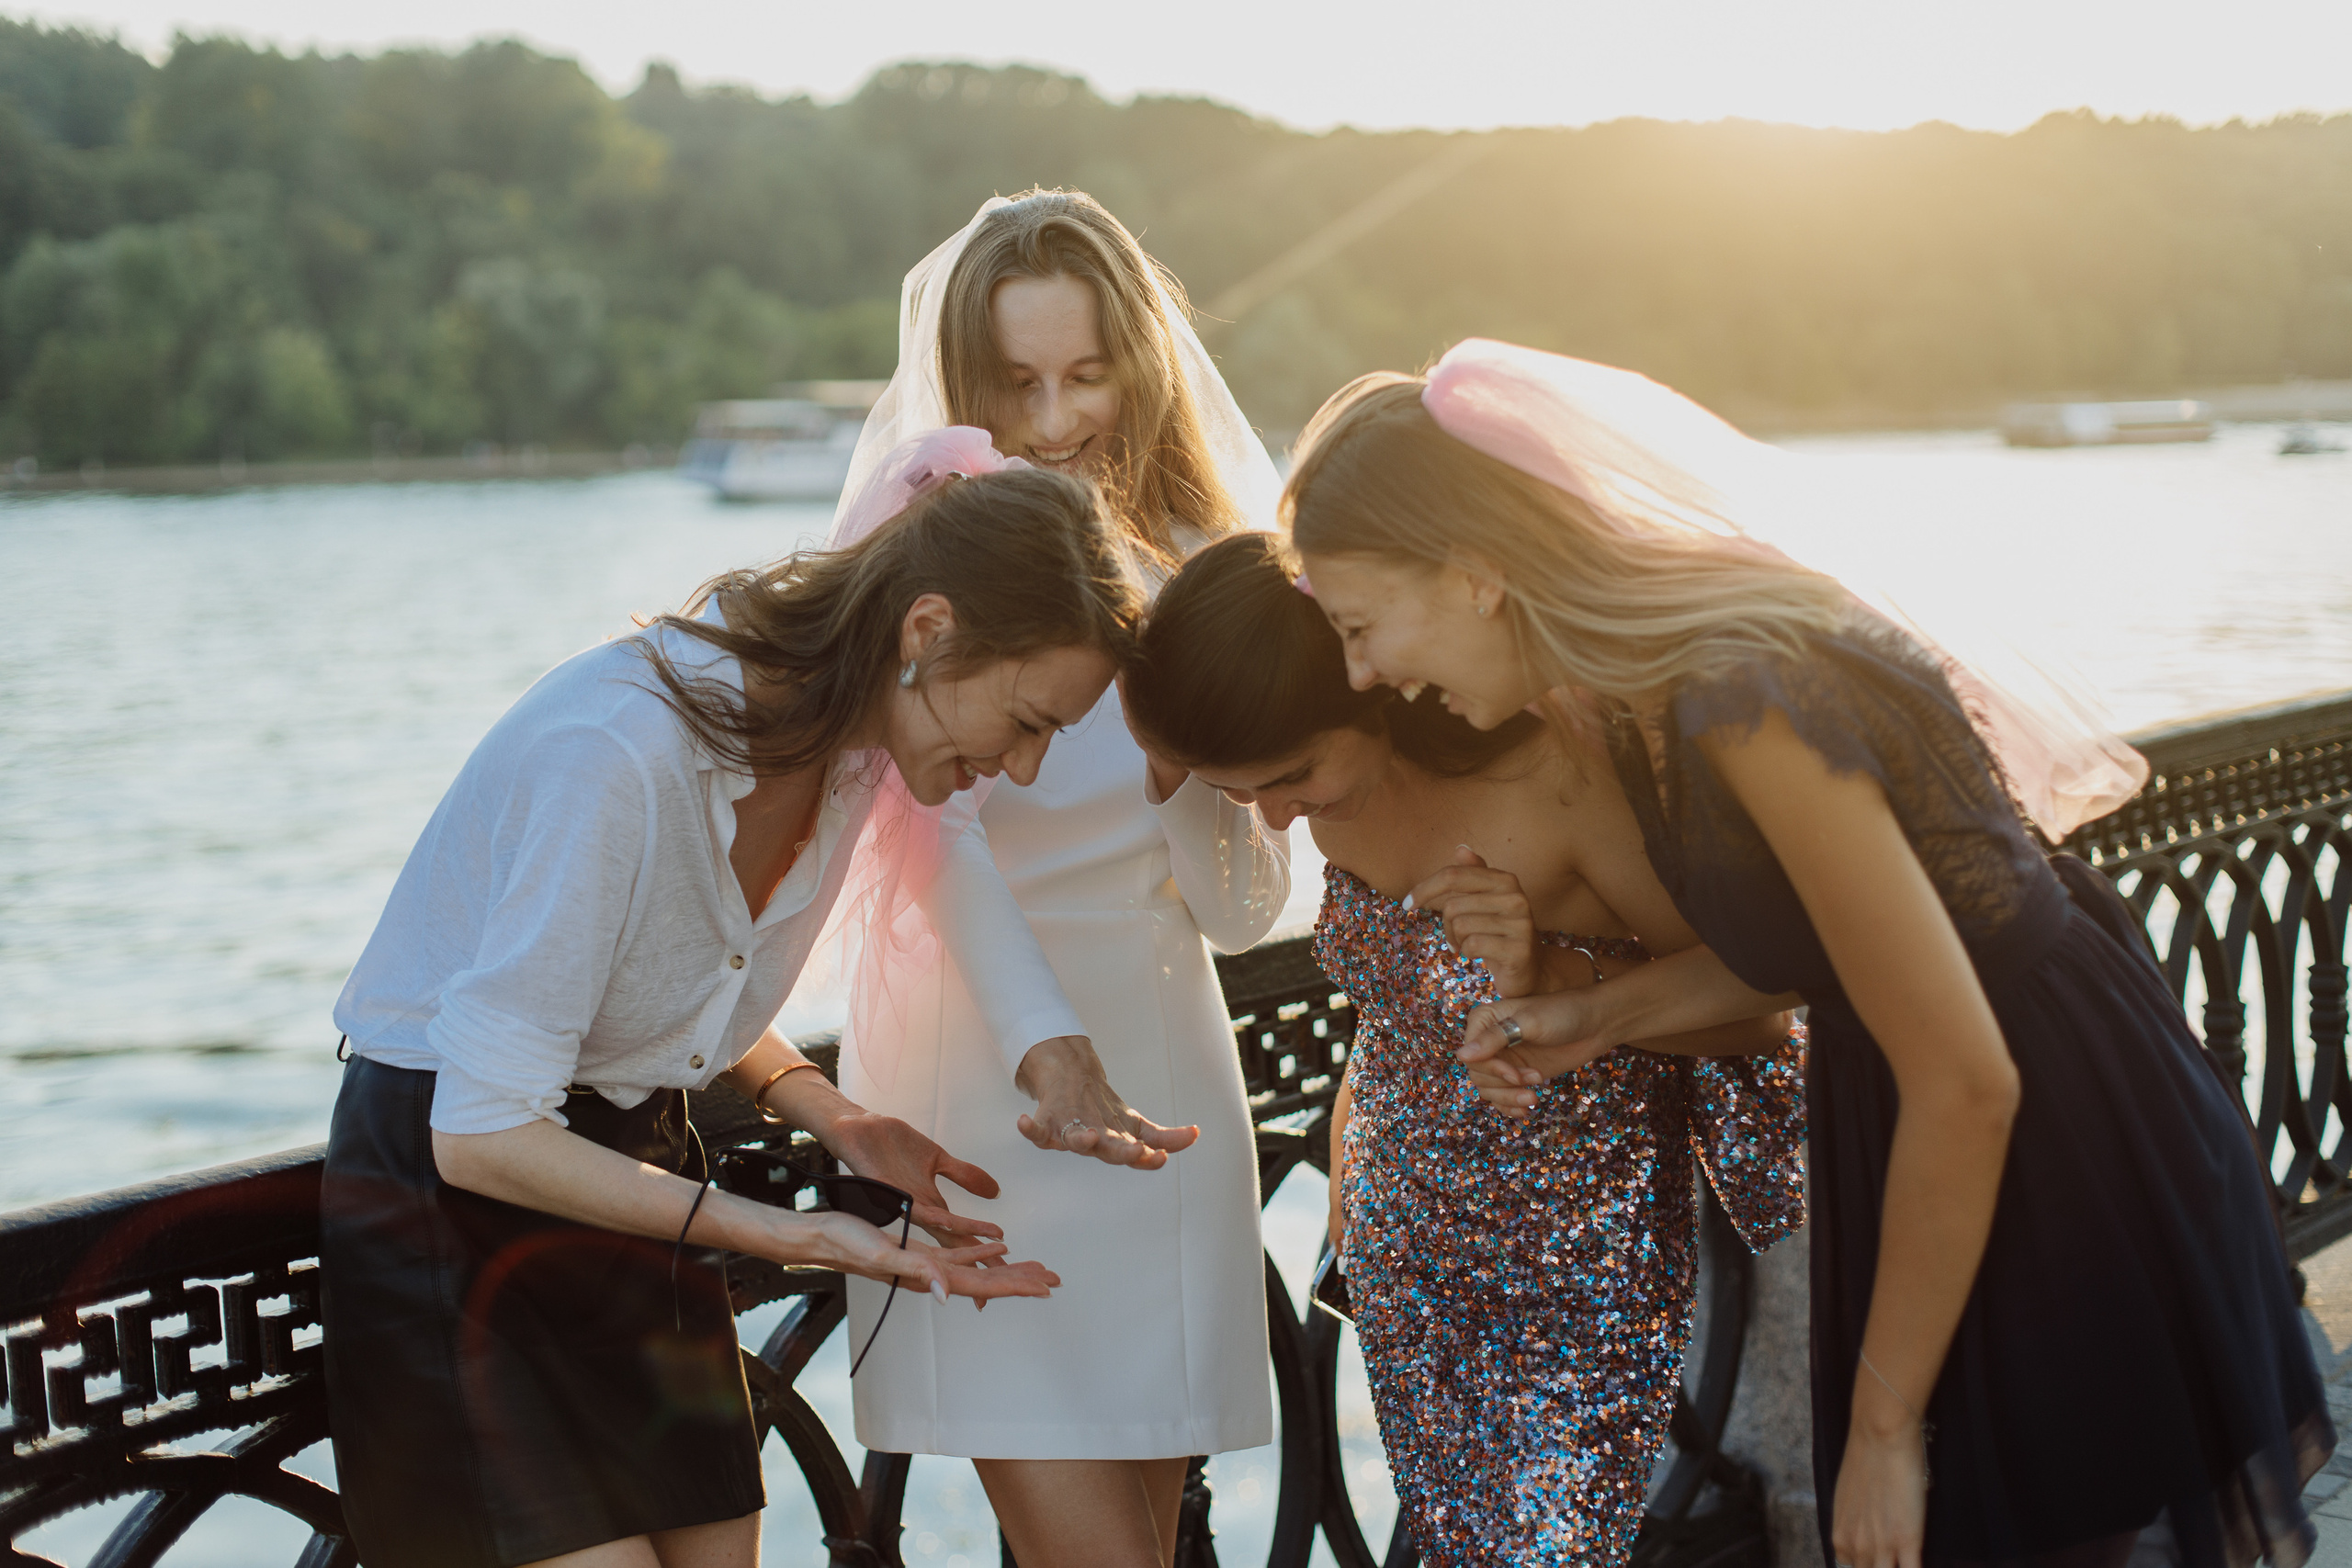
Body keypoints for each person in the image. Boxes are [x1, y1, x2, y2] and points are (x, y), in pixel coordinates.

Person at [1278, 338, 2334, 1568]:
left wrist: (1881, 1426)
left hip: (2037, 1121)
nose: (1364, 674)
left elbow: (1967, 1073)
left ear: (1471, 575)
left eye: (1360, 624)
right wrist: (1602, 1015)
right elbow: (1820, 953)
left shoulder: (1745, 693)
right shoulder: (1646, 689)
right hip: (1938, 1089)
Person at [320, 448, 1144, 1568]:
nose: (1029, 768)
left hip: (627, 1169)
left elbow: (647, 988)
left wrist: (828, 1114)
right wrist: (798, 1235)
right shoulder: (618, 751)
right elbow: (479, 1130)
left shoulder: (854, 759)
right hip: (458, 1201)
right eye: (1031, 719)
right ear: (928, 630)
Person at [1121, 531, 1806, 1565]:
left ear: (1366, 687)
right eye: (1241, 793)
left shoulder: (1556, 781)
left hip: (1575, 1256)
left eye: (1291, 775)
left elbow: (1762, 1002)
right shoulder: (1332, 808)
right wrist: (1355, 1201)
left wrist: (1569, 991)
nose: (1276, 816)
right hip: (1403, 1250)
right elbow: (1392, 1020)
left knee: (1550, 1544)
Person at [827, 189, 1288, 1568]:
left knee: (1144, 1541)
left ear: (1139, 367)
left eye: (1085, 375)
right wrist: (1049, 1047)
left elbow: (1245, 912)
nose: (1050, 420)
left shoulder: (1207, 566)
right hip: (986, 1096)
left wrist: (1185, 778)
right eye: (1014, 383)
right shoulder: (914, 564)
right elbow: (926, 843)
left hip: (1172, 1099)